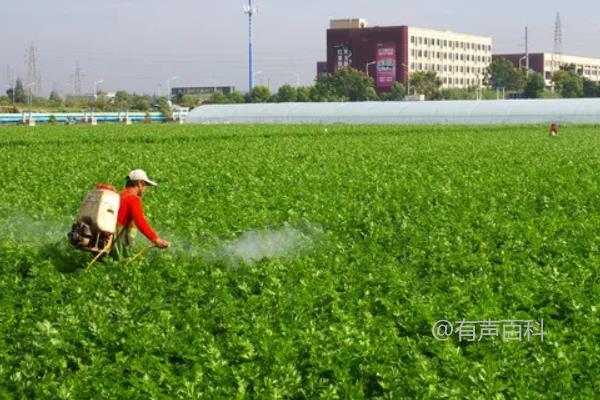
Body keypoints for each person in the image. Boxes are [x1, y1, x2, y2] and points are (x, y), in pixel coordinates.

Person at [112, 169, 170, 259]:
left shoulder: (120, 194)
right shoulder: (133, 199)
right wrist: (156, 240)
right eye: (145, 185)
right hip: (117, 236)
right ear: (139, 183)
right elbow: (140, 222)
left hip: (110, 234)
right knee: (122, 263)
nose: (145, 189)